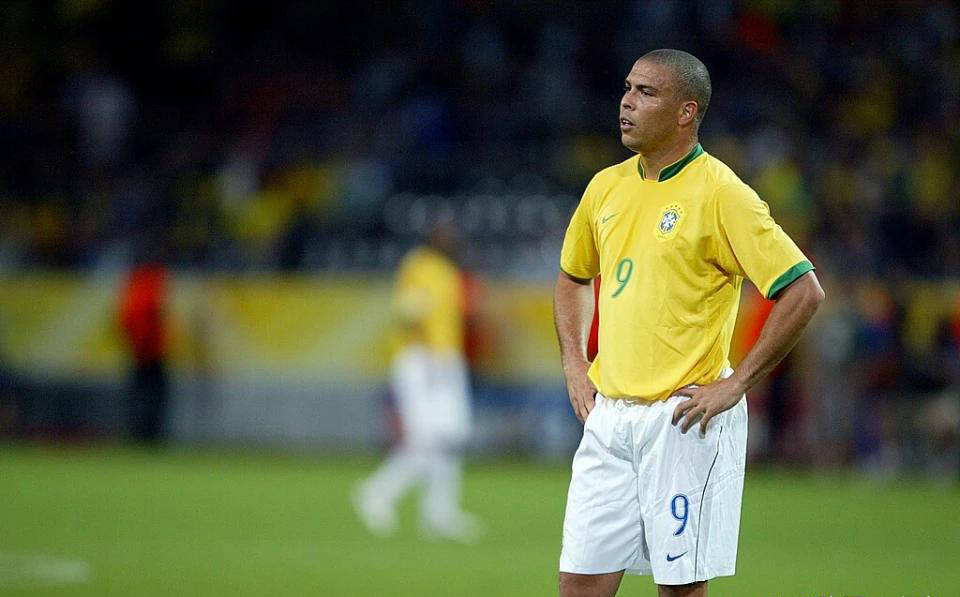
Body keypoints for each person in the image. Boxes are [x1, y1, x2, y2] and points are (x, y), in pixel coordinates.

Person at [553, 49, 825, 597]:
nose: (627, 102)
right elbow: (574, 277)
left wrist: (736, 382)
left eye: (646, 92)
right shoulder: (605, 186)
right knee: (579, 584)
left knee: (679, 587)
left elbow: (803, 291)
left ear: (686, 111)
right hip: (609, 417)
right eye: (627, 88)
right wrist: (575, 363)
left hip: (682, 419)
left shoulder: (722, 194)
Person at [353, 224, 482, 542]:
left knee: (451, 436)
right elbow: (410, 311)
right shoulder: (419, 265)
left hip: (445, 358)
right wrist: (428, 355)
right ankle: (376, 493)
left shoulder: (448, 271)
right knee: (425, 438)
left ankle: (439, 513)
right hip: (422, 359)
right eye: (445, 235)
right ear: (432, 239)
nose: (452, 240)